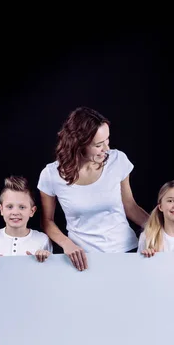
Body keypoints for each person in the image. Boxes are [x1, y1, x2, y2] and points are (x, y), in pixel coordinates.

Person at [37, 106, 149, 271]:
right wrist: (67, 245)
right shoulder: (51, 175)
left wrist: (160, 229)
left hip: (126, 251)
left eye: (107, 140)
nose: (106, 149)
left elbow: (130, 206)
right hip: (82, 260)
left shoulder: (118, 160)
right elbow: (47, 221)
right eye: (98, 145)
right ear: (78, 144)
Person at [0, 176, 52, 265]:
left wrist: (43, 260)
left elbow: (47, 273)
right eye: (9, 207)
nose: (15, 212)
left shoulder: (42, 239)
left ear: (32, 211)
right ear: (1, 210)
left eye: (22, 207)